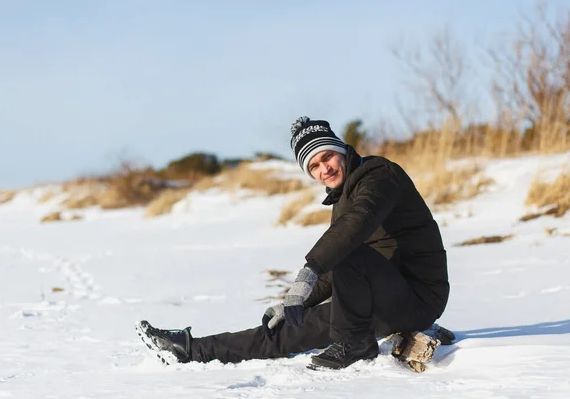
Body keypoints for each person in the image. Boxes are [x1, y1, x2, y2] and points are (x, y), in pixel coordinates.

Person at [136, 116, 451, 370]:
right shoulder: (343, 198)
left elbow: (356, 228)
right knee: (287, 329)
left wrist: (309, 271)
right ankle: (190, 349)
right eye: (313, 166)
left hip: (418, 297)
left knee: (345, 250)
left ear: (342, 151)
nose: (323, 168)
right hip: (378, 300)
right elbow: (339, 266)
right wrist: (294, 301)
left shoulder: (380, 175)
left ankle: (353, 344)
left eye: (327, 156)